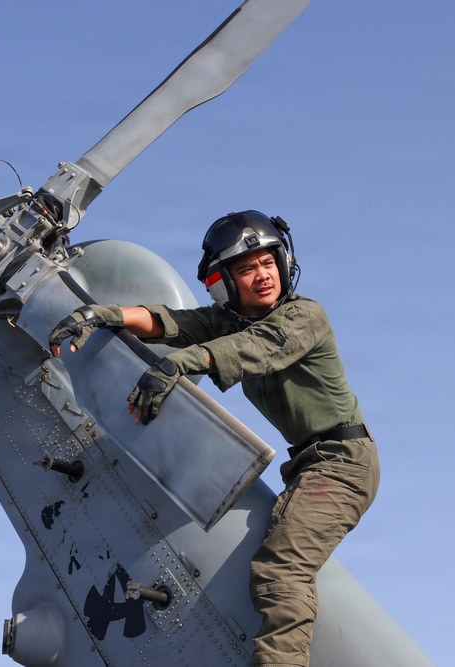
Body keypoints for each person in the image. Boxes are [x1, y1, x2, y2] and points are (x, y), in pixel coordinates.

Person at [49, 210, 379, 666]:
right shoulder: (230, 322)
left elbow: (255, 349)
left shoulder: (304, 316)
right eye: (247, 269)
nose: (263, 276)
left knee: (281, 568)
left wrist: (178, 364)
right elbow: (170, 322)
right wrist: (102, 314)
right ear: (225, 283)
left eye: (267, 263)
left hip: (342, 463)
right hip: (309, 463)